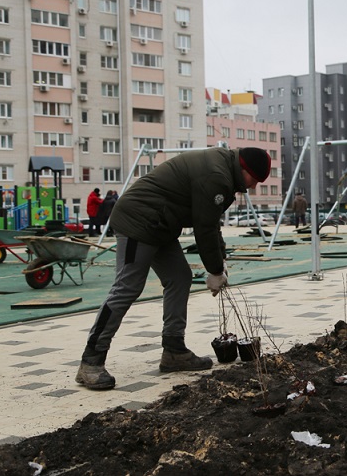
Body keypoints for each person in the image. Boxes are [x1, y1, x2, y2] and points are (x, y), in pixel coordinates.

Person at [75, 147, 272, 390]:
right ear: (245, 169)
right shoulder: (216, 175)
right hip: (137, 219)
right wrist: (215, 270)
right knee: (128, 287)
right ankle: (91, 361)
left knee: (179, 277)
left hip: (160, 224)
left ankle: (174, 351)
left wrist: (220, 262)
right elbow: (204, 229)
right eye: (255, 180)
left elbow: (210, 221)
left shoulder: (224, 171)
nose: (253, 186)